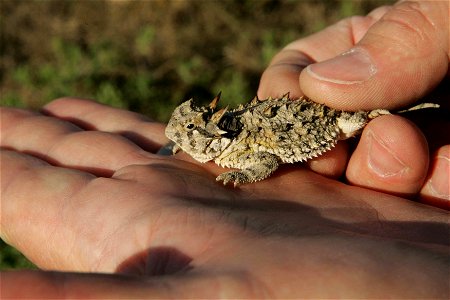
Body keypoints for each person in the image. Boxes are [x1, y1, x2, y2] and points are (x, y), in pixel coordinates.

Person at [1, 1, 448, 298]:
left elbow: (268, 159)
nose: (181, 138)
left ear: (215, 141)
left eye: (189, 135)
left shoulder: (238, 150)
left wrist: (241, 176)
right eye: (181, 133)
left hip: (327, 121)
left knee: (376, 119)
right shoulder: (214, 140)